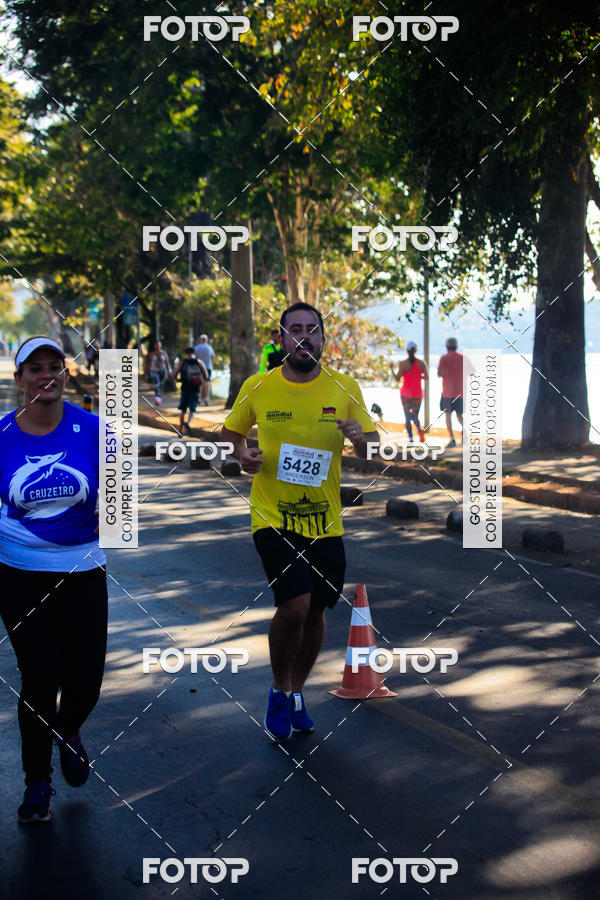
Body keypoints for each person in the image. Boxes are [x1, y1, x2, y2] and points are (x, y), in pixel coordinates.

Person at [221, 302, 379, 741]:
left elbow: (373, 448)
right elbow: (231, 432)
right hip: (272, 514)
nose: (304, 337)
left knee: (317, 612)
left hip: (326, 521)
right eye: (295, 330)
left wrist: (360, 438)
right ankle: (278, 689)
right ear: (282, 339)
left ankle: (295, 693)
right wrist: (242, 455)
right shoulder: (260, 386)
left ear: (324, 339)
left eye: (312, 330)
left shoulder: (343, 387)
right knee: (294, 606)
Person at [0, 336, 108, 823]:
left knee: (85, 681)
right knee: (41, 677)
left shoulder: (97, 430)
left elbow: (122, 505)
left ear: (66, 375)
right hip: (19, 571)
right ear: (19, 378)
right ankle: (37, 783)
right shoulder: (1, 434)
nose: (47, 376)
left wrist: (115, 518)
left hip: (82, 569)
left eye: (55, 367)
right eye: (35, 368)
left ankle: (68, 729)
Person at [390, 341, 428, 442]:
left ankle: (411, 438)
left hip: (405, 394)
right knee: (415, 416)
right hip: (418, 395)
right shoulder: (422, 363)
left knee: (407, 417)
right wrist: (419, 376)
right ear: (416, 350)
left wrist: (392, 369)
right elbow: (427, 378)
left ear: (407, 351)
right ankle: (419, 430)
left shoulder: (403, 364)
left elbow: (397, 379)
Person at [173, 347, 208, 433]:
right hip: (195, 389)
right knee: (192, 410)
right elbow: (206, 376)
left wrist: (178, 380)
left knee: (183, 410)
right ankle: (188, 423)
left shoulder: (182, 362)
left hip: (185, 389)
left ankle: (180, 430)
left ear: (186, 354)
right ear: (194, 353)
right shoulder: (199, 362)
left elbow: (174, 374)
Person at [438, 337, 465, 447]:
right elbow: (471, 372)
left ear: (446, 346)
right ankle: (465, 434)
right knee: (460, 416)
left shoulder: (444, 358)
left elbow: (439, 373)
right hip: (460, 392)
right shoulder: (462, 358)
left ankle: (452, 439)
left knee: (448, 417)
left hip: (447, 393)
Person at [145, 339, 171, 406]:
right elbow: (148, 364)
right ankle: (157, 397)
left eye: (159, 344)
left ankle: (159, 398)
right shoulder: (152, 354)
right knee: (156, 381)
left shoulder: (164, 353)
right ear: (154, 346)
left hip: (162, 371)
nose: (158, 346)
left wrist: (169, 371)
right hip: (154, 371)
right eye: (156, 344)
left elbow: (167, 362)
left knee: (161, 384)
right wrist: (147, 374)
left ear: (160, 345)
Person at [193, 334, 216, 405]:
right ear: (206, 340)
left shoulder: (196, 348)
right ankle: (206, 398)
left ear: (200, 340)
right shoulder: (210, 348)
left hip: (198, 367)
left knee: (199, 383)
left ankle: (198, 398)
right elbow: (212, 358)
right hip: (208, 367)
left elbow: (194, 358)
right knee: (207, 383)